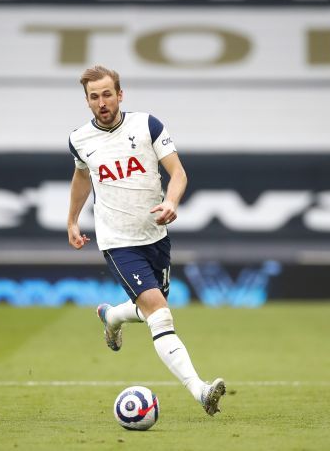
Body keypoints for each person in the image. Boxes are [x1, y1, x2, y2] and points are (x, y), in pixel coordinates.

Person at [66, 65, 226, 416]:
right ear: (87, 101)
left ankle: (111, 317)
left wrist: (171, 202)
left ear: (120, 95)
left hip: (155, 236)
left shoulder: (148, 125)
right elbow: (81, 177)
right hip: (117, 241)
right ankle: (200, 391)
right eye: (94, 97)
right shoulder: (80, 139)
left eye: (108, 94)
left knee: (148, 310)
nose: (102, 102)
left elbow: (178, 173)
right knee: (160, 312)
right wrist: (72, 219)